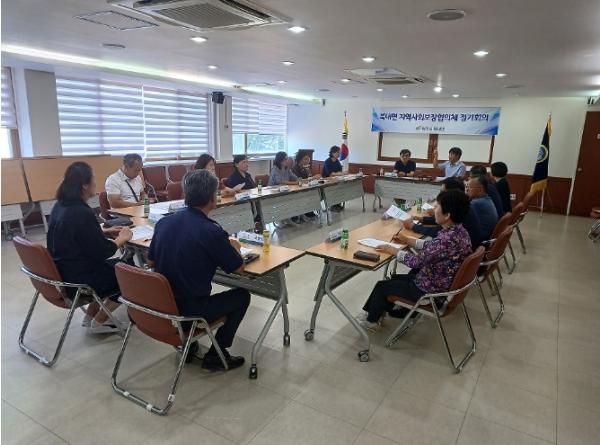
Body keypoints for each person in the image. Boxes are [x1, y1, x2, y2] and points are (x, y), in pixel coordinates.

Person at [148, 170, 250, 370]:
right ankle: (216, 355)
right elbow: (238, 268)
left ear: (186, 195)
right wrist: (236, 248)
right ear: (213, 198)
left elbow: (151, 262)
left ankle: (190, 344)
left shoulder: (163, 222)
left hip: (162, 306)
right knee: (242, 296)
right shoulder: (211, 231)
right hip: (190, 311)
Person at [360, 190, 473, 329]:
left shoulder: (445, 240)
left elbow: (415, 262)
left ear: (447, 215)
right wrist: (409, 240)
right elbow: (433, 246)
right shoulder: (460, 232)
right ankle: (384, 312)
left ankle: (371, 321)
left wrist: (393, 250)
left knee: (382, 286)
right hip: (440, 282)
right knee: (395, 279)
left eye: (437, 205)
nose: (434, 208)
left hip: (430, 291)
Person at [48, 162, 133, 334]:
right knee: (130, 275)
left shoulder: (60, 205)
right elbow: (102, 251)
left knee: (120, 266)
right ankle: (99, 322)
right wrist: (122, 238)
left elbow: (75, 235)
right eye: (93, 179)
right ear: (84, 185)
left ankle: (90, 318)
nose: (96, 183)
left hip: (65, 271)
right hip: (80, 279)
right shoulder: (81, 212)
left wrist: (101, 231)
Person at [403, 177, 483, 248]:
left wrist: (413, 226)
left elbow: (437, 231)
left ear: (451, 194)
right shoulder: (462, 205)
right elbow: (445, 219)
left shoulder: (447, 238)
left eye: (443, 192)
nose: (440, 194)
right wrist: (422, 219)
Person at [466, 175, 499, 240]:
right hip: (487, 235)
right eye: (466, 187)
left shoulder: (476, 203)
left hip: (479, 238)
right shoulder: (486, 198)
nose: (466, 190)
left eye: (469, 187)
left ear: (480, 189)